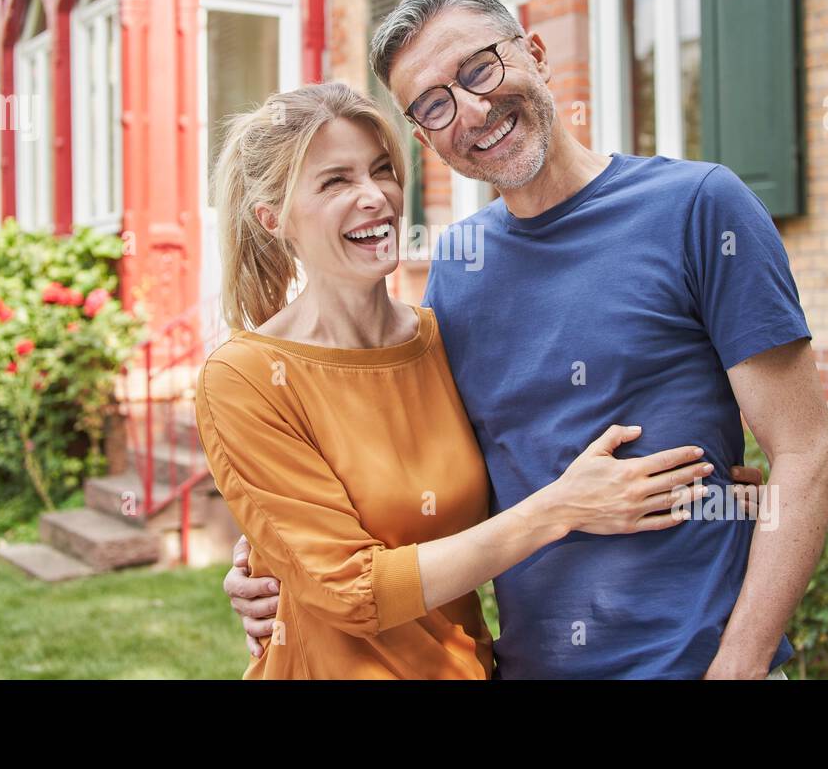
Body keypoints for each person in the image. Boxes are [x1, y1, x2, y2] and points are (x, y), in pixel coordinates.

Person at [224, 0, 828, 679]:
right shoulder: (457, 270)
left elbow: (806, 455)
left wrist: (739, 665)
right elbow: (447, 486)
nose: (474, 109)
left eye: (479, 68)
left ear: (536, 53)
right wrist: (275, 563)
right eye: (435, 104)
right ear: (426, 138)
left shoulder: (699, 208)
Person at [196, 81, 721, 679]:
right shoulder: (244, 379)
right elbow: (352, 591)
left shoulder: (442, 340)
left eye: (381, 170)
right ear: (274, 219)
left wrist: (708, 464)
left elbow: (526, 452)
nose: (374, 197)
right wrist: (561, 509)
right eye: (335, 181)